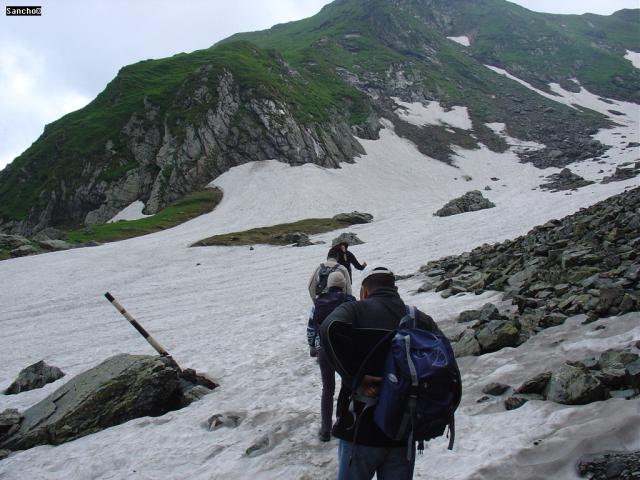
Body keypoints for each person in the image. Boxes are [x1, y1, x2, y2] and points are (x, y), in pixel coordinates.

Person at [319, 266, 445, 480]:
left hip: (360, 429)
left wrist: (354, 377)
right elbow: (443, 359)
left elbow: (328, 328)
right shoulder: (418, 319)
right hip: (402, 431)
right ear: (395, 289)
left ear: (365, 292)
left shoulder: (355, 311)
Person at [306, 271, 356, 442]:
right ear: (343, 285)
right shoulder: (350, 301)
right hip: (345, 349)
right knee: (348, 386)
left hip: (324, 349)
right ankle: (343, 422)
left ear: (328, 284)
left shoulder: (318, 302)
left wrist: (313, 346)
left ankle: (325, 430)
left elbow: (312, 326)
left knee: (328, 389)